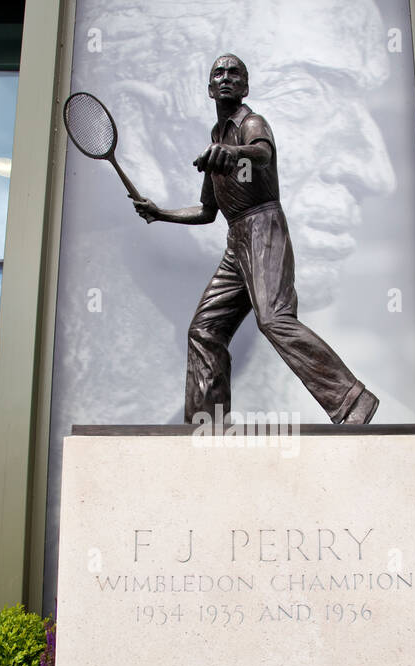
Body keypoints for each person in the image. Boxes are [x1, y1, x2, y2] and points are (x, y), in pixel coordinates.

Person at [132, 54, 379, 424]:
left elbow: (261, 155)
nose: (226, 78)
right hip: (237, 241)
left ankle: (352, 399)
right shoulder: (216, 139)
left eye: (235, 73)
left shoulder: (252, 124)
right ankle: (208, 420)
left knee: (274, 319)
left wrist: (233, 152)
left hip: (264, 229)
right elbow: (206, 210)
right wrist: (160, 212)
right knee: (205, 329)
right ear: (209, 87)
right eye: (219, 73)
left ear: (245, 86)